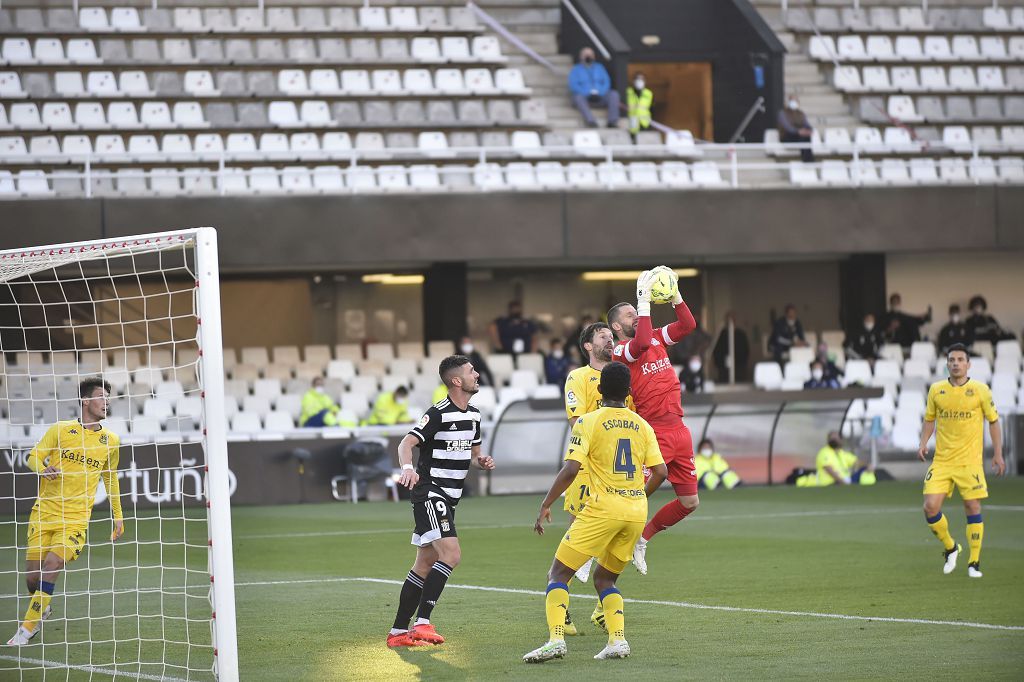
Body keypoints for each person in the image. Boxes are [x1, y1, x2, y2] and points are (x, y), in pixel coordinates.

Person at [524, 362, 667, 663]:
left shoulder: (587, 421)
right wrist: (639, 495)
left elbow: (572, 468)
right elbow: (661, 471)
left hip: (603, 508)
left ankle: (555, 641)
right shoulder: (643, 425)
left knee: (558, 573)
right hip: (636, 511)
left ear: (599, 390)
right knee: (606, 580)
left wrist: (546, 502)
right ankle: (617, 641)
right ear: (629, 392)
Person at [386, 356, 496, 648]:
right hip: (431, 492)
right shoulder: (437, 413)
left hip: (451, 497)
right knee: (451, 554)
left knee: (424, 563)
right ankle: (422, 623)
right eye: (472, 371)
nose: (477, 375)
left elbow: (472, 454)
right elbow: (406, 443)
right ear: (456, 381)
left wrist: (480, 460)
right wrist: (407, 468)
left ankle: (398, 633)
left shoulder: (474, 415)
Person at [7, 377, 124, 646]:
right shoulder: (60, 430)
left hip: (75, 521)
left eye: (108, 397)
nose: (106, 401)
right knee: (32, 577)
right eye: (100, 396)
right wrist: (43, 468)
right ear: (85, 400)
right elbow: (33, 456)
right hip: (44, 514)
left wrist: (118, 515)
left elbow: (111, 478)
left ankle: (27, 628)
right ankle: (41, 605)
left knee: (52, 564)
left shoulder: (111, 440)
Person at [606, 266, 698, 575]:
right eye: (630, 313)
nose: (637, 315)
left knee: (689, 502)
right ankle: (596, 544)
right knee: (633, 496)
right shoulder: (622, 350)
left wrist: (675, 296)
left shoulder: (657, 336)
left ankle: (643, 539)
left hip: (679, 429)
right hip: (653, 432)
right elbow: (641, 343)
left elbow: (688, 325)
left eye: (637, 311)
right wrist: (644, 301)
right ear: (617, 326)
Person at [560, 322, 635, 633]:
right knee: (576, 540)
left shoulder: (621, 376)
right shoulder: (578, 377)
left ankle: (600, 609)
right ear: (588, 346)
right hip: (587, 469)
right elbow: (577, 421)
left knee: (614, 542)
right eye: (602, 336)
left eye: (610, 335)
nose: (609, 339)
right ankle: (560, 604)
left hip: (616, 474)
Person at [918, 343, 1004, 579]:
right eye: (952, 359)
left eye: (960, 359)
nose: (955, 363)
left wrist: (998, 453)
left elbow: (993, 422)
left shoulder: (981, 390)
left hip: (970, 463)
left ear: (968, 364)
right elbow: (929, 420)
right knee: (930, 507)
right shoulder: (936, 390)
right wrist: (923, 442)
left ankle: (974, 562)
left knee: (972, 507)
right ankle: (951, 547)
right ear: (947, 363)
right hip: (942, 461)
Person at [568, 47, 620, 129]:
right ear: (581, 56)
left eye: (590, 55)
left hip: (600, 96)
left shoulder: (600, 67)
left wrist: (600, 92)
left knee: (614, 94)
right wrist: (588, 92)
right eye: (585, 55)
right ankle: (591, 121)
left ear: (594, 56)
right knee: (577, 97)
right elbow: (573, 85)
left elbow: (607, 82)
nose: (588, 56)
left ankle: (612, 121)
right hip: (585, 97)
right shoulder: (576, 69)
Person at [711, 312, 750, 383]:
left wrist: (743, 362)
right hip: (723, 366)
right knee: (724, 382)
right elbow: (716, 349)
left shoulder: (741, 334)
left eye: (732, 319)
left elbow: (746, 349)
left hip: (739, 365)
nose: (730, 321)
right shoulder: (721, 334)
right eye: (728, 319)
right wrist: (718, 363)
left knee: (740, 383)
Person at [777, 93, 814, 162]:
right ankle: (808, 161)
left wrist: (809, 130)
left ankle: (808, 161)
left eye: (795, 101)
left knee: (806, 137)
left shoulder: (801, 113)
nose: (794, 103)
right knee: (804, 138)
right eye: (792, 100)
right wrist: (799, 131)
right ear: (788, 102)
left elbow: (807, 124)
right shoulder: (782, 113)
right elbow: (788, 128)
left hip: (800, 136)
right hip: (787, 137)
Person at [627, 72, 653, 136]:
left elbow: (651, 108)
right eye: (637, 79)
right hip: (632, 121)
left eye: (641, 79)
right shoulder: (628, 92)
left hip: (644, 122)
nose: (639, 81)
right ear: (633, 81)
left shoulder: (648, 93)